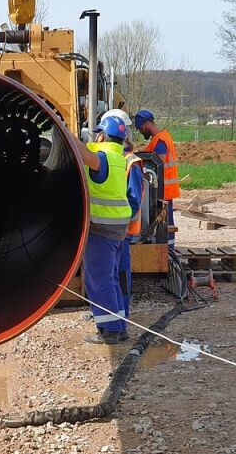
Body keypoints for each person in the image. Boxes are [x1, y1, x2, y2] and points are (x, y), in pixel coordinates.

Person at [74, 115, 144, 344]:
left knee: (99, 281)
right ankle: (118, 326)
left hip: (102, 230)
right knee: (111, 279)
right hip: (116, 229)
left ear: (102, 135)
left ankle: (111, 331)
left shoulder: (102, 157)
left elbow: (80, 150)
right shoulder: (118, 158)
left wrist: (61, 128)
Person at [134, 109, 179, 245]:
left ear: (147, 124)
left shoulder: (161, 140)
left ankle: (168, 254)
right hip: (161, 190)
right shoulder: (157, 139)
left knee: (164, 224)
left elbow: (157, 160)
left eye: (140, 128)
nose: (141, 131)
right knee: (162, 223)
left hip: (163, 190)